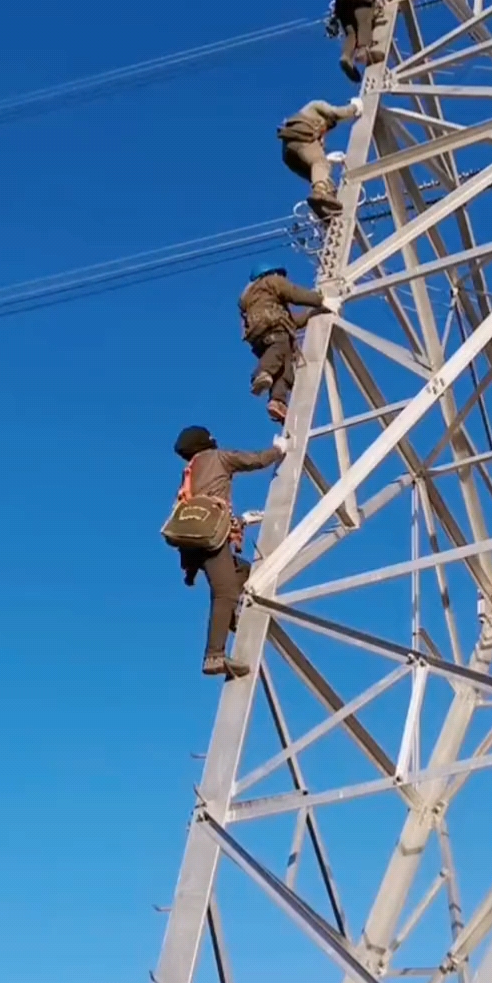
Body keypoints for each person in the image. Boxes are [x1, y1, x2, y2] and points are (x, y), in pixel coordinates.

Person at [168, 425, 287, 680]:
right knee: (224, 593)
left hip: (194, 544)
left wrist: (189, 570)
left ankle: (233, 618)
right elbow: (254, 460)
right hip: (211, 540)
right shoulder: (219, 457)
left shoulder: (189, 471)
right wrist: (278, 450)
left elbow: (192, 520)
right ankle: (215, 655)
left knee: (243, 571)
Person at [239, 265, 336, 423]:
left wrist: (312, 313)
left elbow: (293, 322)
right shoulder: (271, 281)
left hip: (260, 334)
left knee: (283, 366)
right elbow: (294, 293)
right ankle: (261, 374)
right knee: (280, 345)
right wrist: (320, 300)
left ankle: (278, 401)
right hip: (272, 327)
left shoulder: (259, 299)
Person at [278, 96, 362, 220]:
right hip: (300, 138)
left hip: (290, 154)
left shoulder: (319, 129)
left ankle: (326, 207)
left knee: (321, 174)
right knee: (320, 164)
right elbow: (337, 112)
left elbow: (314, 155)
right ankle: (320, 193)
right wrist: (355, 107)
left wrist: (328, 159)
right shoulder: (317, 106)